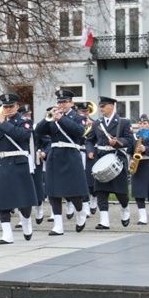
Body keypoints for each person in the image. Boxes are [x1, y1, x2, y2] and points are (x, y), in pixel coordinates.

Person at [0, 93, 37, 244]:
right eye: (5, 106)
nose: (7, 109)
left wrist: (2, 122)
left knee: (23, 200)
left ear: (17, 107)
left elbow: (20, 136)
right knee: (2, 201)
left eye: (10, 106)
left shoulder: (25, 122)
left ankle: (26, 221)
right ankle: (7, 234)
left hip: (19, 162)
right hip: (2, 163)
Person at [35, 89, 88, 235]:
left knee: (74, 191)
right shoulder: (52, 117)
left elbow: (79, 131)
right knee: (53, 192)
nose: (61, 104)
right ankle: (58, 225)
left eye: (64, 102)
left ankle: (80, 213)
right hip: (55, 156)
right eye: (59, 102)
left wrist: (61, 118)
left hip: (71, 155)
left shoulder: (78, 117)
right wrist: (48, 118)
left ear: (71, 103)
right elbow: (39, 131)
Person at [85, 96, 134, 229]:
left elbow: (130, 140)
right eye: (100, 106)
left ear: (111, 106)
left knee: (121, 192)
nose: (101, 108)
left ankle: (125, 208)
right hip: (101, 158)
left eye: (103, 106)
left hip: (117, 157)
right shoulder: (97, 123)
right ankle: (104, 221)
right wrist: (90, 151)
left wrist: (119, 142)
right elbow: (89, 140)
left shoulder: (123, 122)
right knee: (101, 191)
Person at [19, 104, 48, 224]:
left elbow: (46, 142)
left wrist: (44, 152)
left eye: (28, 114)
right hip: (22, 159)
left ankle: (39, 207)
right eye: (24, 115)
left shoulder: (37, 128)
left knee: (37, 185)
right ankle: (24, 216)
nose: (27, 117)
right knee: (22, 188)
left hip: (35, 160)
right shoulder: (17, 128)